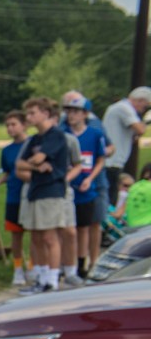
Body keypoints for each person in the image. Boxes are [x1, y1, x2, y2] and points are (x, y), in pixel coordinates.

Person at [16, 97, 80, 294]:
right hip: (35, 191)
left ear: (45, 113)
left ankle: (52, 280)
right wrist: (37, 166)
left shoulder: (56, 136)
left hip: (52, 191)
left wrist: (37, 162)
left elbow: (38, 157)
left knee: (50, 237)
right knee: (36, 237)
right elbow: (20, 164)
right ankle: (41, 277)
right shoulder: (34, 139)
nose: (29, 117)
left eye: (33, 113)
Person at [63, 93, 107, 278]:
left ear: (84, 114)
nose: (71, 115)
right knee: (66, 228)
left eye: (76, 112)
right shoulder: (62, 134)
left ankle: (83, 262)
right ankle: (65, 264)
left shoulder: (95, 134)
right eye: (69, 111)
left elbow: (100, 159)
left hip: (86, 186)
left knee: (84, 226)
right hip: (67, 186)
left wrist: (90, 178)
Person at [0, 110, 30, 286]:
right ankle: (18, 268)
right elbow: (8, 171)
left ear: (24, 125)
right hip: (13, 195)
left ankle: (34, 266)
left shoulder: (33, 145)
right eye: (7, 125)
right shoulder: (7, 150)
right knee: (16, 234)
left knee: (37, 234)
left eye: (14, 124)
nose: (10, 128)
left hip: (31, 195)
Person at [102, 86, 151, 193]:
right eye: (145, 106)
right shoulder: (124, 108)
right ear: (139, 100)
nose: (144, 109)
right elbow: (140, 130)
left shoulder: (118, 107)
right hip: (112, 162)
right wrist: (146, 121)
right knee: (111, 195)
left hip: (113, 160)